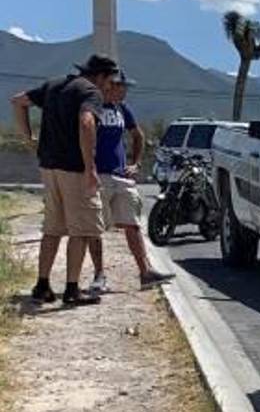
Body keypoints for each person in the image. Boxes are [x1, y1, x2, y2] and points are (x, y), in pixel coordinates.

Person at [10, 54, 118, 306]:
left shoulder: (54, 84)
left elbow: (18, 102)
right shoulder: (91, 92)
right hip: (74, 170)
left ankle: (42, 285)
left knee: (52, 229)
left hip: (48, 167)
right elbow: (86, 121)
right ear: (100, 76)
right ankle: (72, 289)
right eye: (109, 80)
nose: (109, 86)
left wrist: (28, 137)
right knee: (80, 230)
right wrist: (90, 166)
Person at [86, 70, 172, 293]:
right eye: (121, 86)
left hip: (121, 176)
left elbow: (138, 135)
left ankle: (145, 272)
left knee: (132, 224)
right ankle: (99, 275)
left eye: (125, 87)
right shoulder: (92, 108)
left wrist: (135, 163)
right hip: (99, 175)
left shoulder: (122, 110)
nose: (124, 91)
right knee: (95, 228)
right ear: (108, 86)